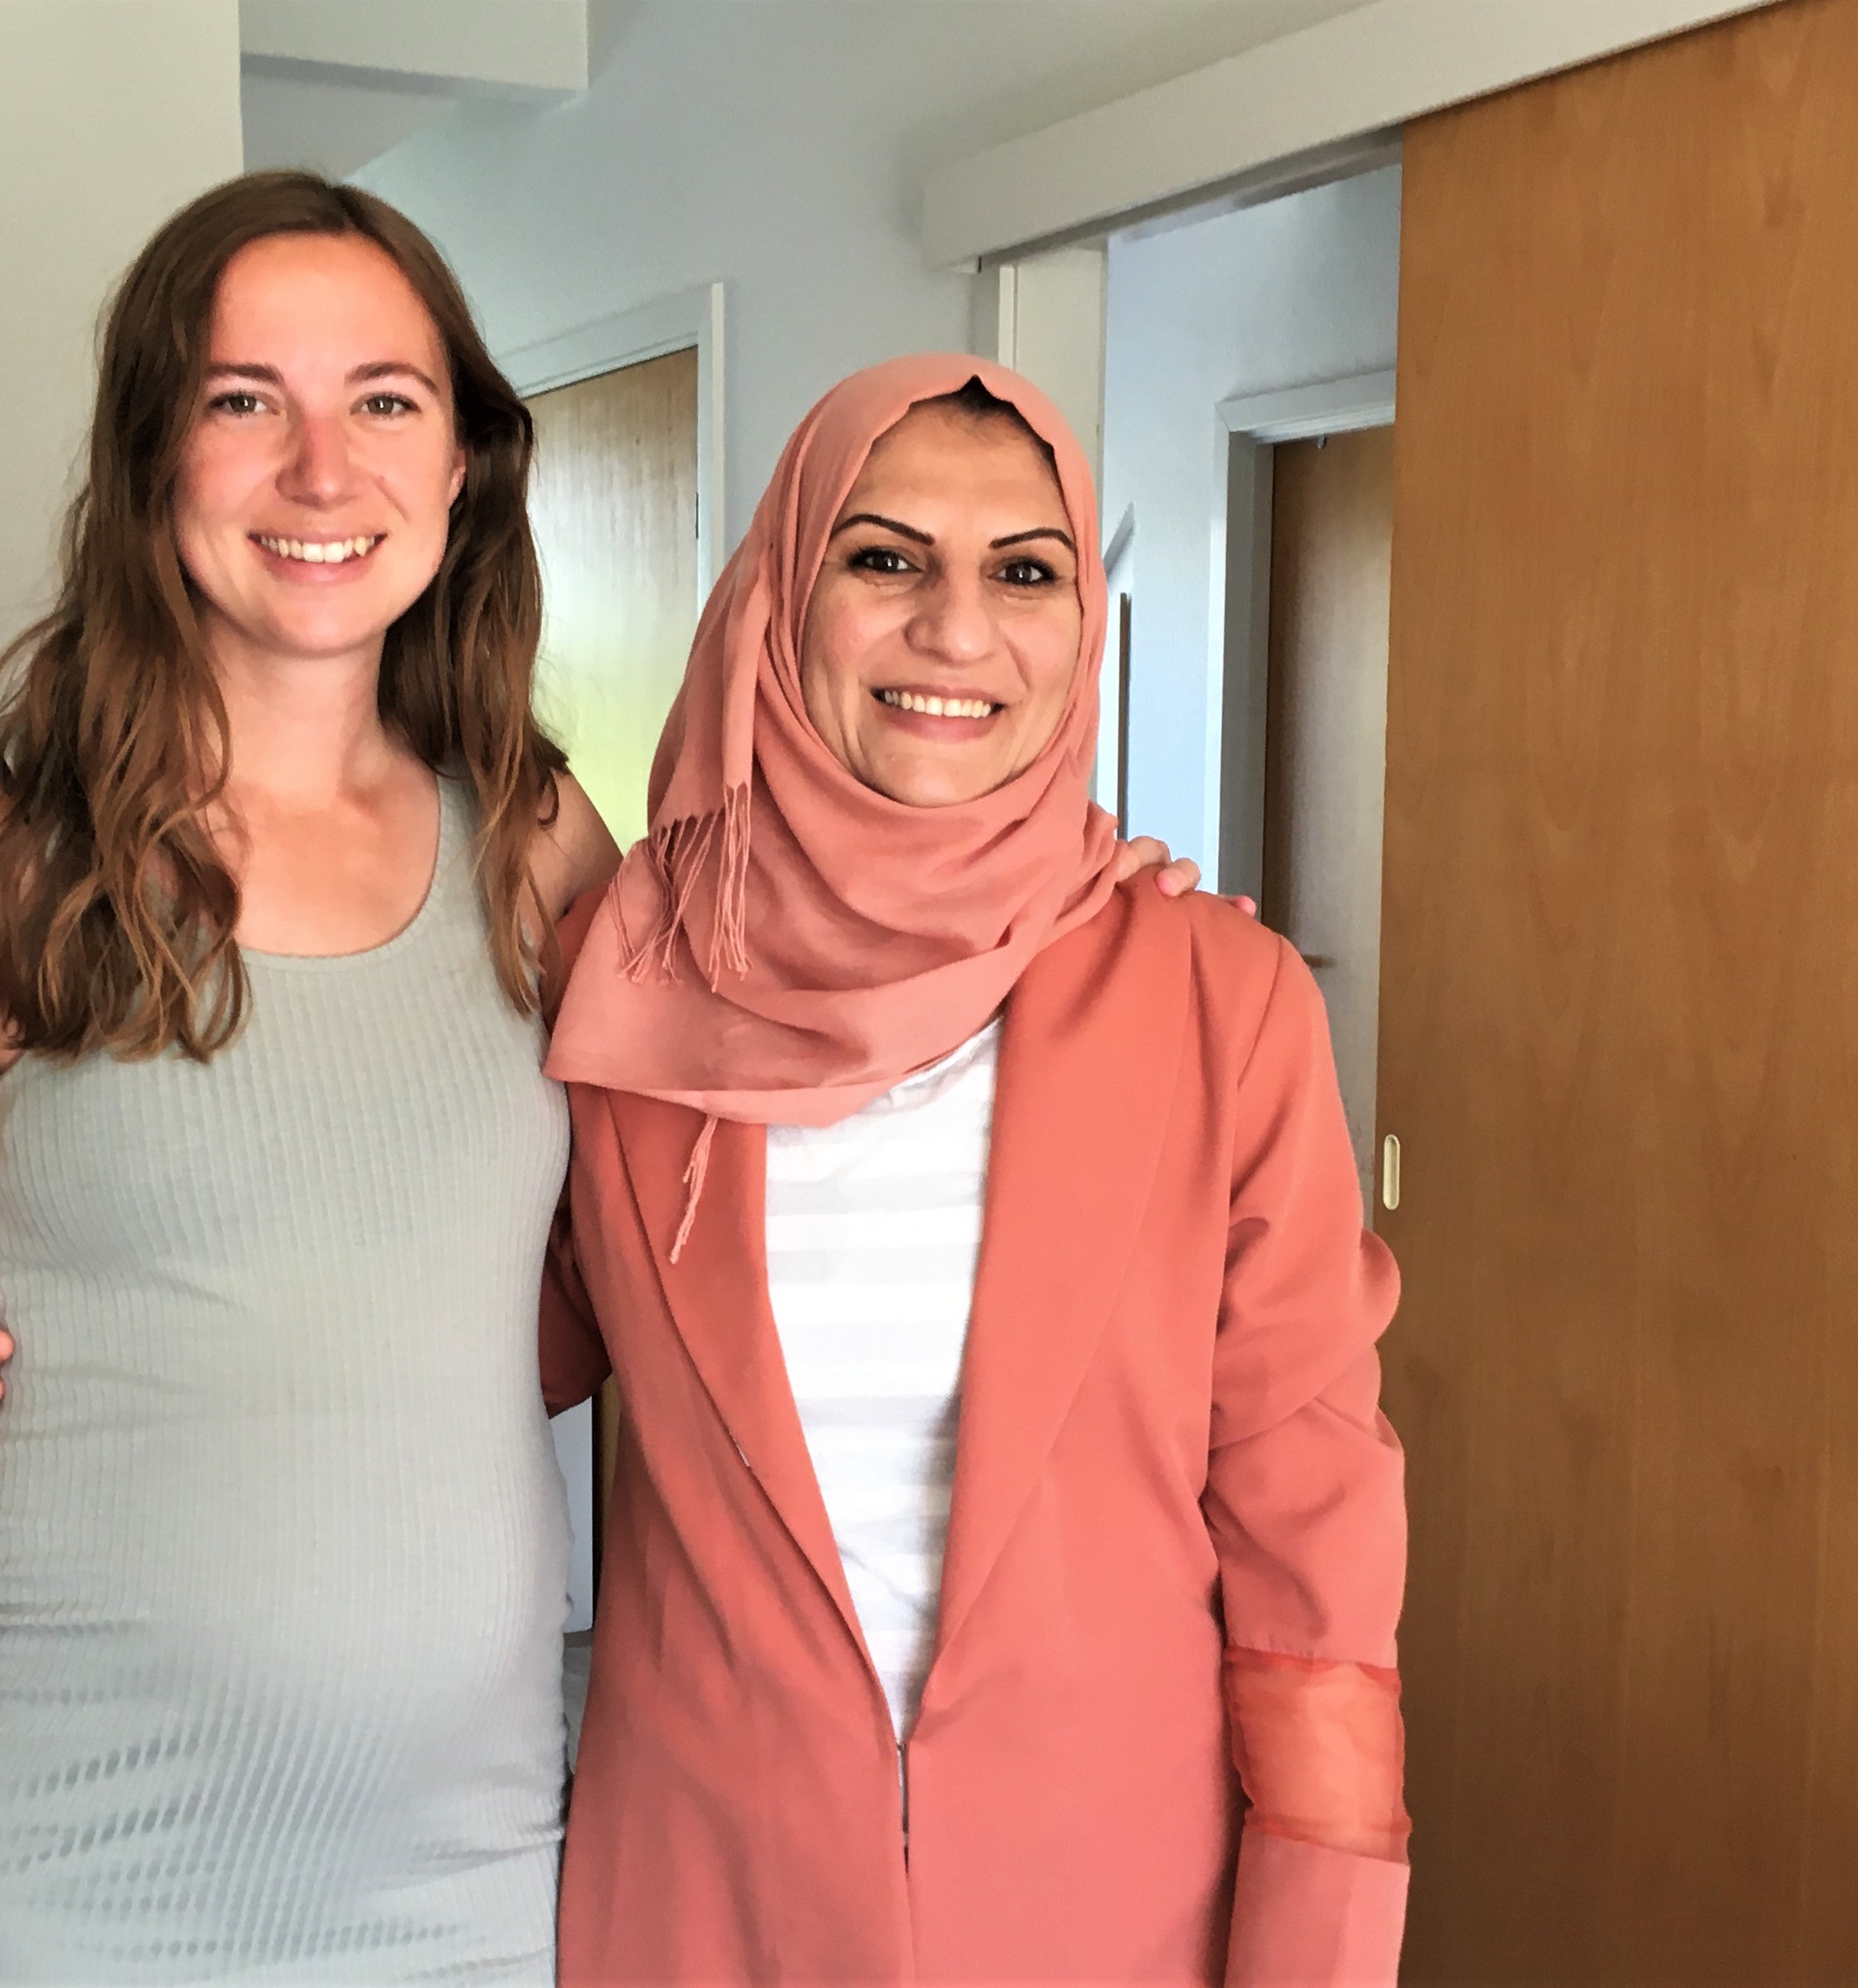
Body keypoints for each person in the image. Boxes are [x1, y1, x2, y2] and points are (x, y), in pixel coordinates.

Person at [0, 171, 625, 1985]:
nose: (322, 470)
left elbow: (621, 1294)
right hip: (71, 1865)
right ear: (152, 451)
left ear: (464, 457)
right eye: (246, 400)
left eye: (383, 400)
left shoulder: (538, 841)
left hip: (477, 1882)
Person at [533, 355, 1410, 1983]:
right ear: (778, 599)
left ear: (1084, 627)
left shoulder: (1217, 999)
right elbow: (473, 1348)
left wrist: (1321, 1948)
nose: (956, 630)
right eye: (884, 559)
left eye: (1024, 572)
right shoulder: (625, 980)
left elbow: (1312, 1526)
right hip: (705, 1897)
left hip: (1110, 1900)